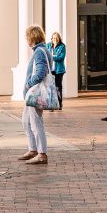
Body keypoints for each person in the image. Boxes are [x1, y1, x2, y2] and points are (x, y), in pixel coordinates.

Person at [20, 25, 53, 165]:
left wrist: (29, 84)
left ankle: (42, 154)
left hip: (35, 93)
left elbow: (40, 73)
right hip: (32, 94)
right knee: (26, 121)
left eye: (27, 36)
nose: (26, 39)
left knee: (36, 123)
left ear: (32, 37)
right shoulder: (41, 50)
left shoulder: (39, 51)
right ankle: (33, 149)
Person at [47, 32, 66, 109]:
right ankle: (51, 105)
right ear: (51, 39)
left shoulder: (62, 46)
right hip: (50, 70)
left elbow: (61, 58)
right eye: (54, 38)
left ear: (59, 39)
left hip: (59, 70)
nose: (55, 40)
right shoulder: (48, 45)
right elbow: (45, 55)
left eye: (56, 38)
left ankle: (59, 104)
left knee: (58, 87)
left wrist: (51, 57)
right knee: (50, 87)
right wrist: (54, 56)